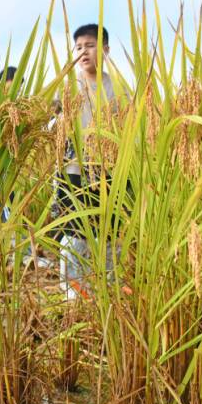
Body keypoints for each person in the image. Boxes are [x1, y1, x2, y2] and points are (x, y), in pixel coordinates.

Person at [53, 23, 124, 299]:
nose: (83, 51)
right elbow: (48, 117)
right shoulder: (68, 86)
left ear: (105, 49)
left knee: (108, 235)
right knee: (74, 236)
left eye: (90, 45)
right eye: (79, 47)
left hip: (108, 172)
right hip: (73, 172)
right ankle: (73, 296)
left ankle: (107, 292)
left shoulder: (117, 87)